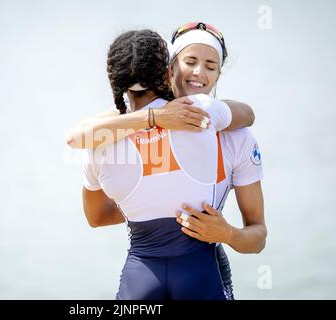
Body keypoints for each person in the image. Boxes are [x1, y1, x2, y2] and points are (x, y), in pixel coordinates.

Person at [68, 22, 267, 300]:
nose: (198, 72)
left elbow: (95, 210)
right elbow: (247, 113)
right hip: (200, 270)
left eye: (211, 65)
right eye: (190, 61)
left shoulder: (102, 140)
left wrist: (227, 233)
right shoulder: (203, 113)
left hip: (141, 274)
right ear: (169, 68)